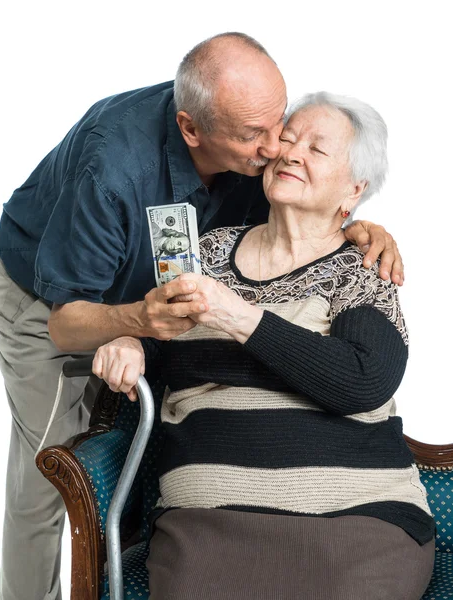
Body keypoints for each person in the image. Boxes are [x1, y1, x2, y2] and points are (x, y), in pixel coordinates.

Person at [0, 32, 404, 600]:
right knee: (52, 470)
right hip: (49, 297)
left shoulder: (259, 151)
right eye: (260, 135)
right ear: (191, 129)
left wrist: (357, 225)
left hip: (161, 305)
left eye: (282, 122)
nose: (278, 146)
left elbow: (305, 231)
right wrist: (134, 325)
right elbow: (66, 320)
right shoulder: (115, 168)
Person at [93, 92, 434, 599]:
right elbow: (159, 335)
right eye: (288, 139)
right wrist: (129, 341)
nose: (292, 153)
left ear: (354, 189)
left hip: (356, 520)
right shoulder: (204, 252)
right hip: (206, 525)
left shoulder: (360, 268)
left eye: (317, 150)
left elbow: (364, 380)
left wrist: (235, 314)